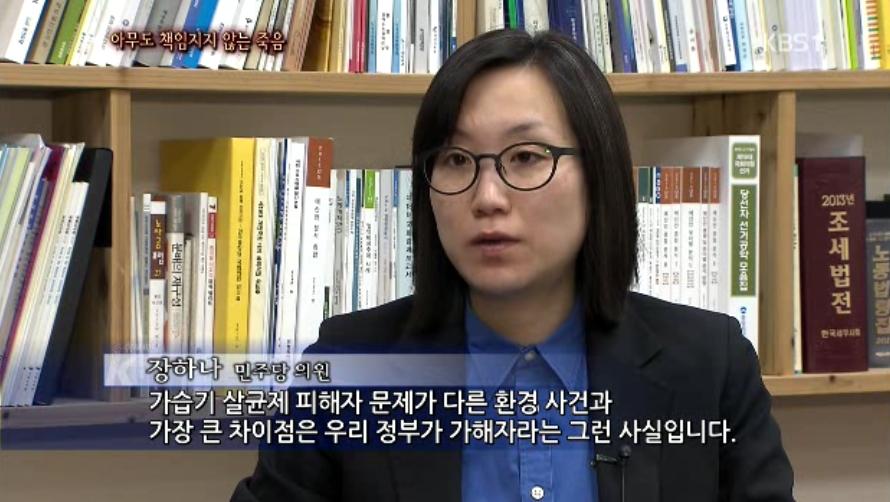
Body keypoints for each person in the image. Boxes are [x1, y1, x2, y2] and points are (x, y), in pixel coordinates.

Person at [231, 28, 795, 501]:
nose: (487, 197)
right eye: (456, 159)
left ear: (598, 176)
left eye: (525, 156)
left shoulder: (710, 365)